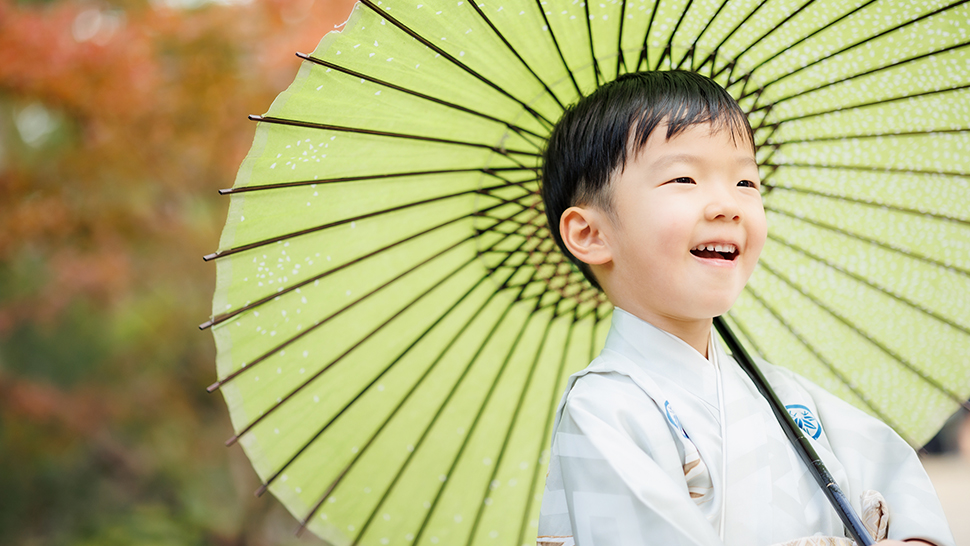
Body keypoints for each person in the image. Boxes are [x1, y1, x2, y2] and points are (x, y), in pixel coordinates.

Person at [535, 71, 954, 546]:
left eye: (745, 181)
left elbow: (904, 496)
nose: (727, 205)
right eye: (684, 177)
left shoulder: (785, 395)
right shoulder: (607, 409)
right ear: (590, 234)